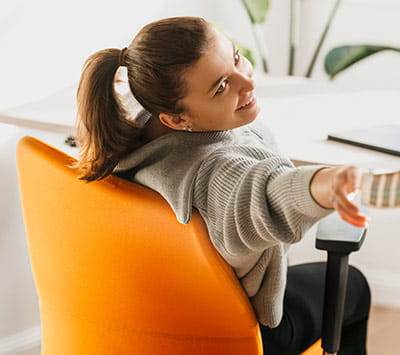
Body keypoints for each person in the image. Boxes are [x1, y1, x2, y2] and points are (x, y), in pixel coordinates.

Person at [74, 16, 370, 354]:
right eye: (221, 87)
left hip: (153, 318)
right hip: (238, 331)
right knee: (355, 287)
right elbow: (262, 196)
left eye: (236, 56)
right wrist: (324, 184)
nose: (247, 81)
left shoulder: (132, 133)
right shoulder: (212, 171)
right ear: (177, 119)